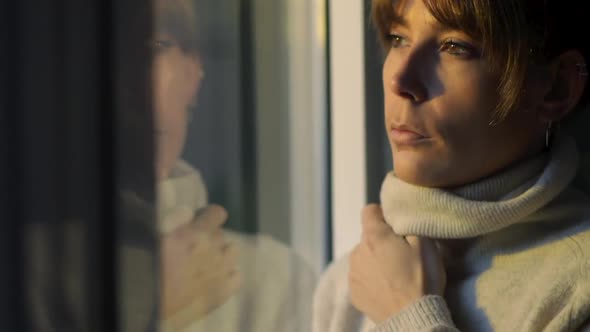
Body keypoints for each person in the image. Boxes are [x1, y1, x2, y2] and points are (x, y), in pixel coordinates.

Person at [313, 0, 590, 331]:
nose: (400, 79)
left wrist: (407, 315)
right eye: (399, 38)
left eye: (454, 46)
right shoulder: (352, 282)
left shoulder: (578, 286)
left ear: (557, 88)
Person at [124, 0, 318, 331]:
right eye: (102, 53)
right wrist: (146, 302)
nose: (131, 85)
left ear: (194, 73)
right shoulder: (23, 272)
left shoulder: (273, 286)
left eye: (154, 47)